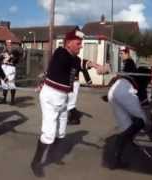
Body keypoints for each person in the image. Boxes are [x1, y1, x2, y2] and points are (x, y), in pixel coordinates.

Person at [30, 28, 105, 177]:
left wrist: (98, 67)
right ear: (69, 43)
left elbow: (81, 63)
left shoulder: (74, 58)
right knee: (49, 133)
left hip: (63, 97)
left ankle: (53, 156)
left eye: (81, 43)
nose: (81, 46)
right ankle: (36, 163)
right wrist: (92, 65)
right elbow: (72, 62)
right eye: (78, 43)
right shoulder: (61, 53)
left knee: (61, 132)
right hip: (51, 96)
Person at [106, 66, 152, 169]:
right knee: (142, 121)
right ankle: (127, 139)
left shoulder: (131, 75)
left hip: (112, 93)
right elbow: (145, 106)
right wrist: (148, 122)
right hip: (124, 93)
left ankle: (116, 158)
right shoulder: (142, 82)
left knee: (126, 127)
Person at [0, 39, 22, 105]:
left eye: (10, 44)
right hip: (4, 67)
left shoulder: (15, 51)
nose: (9, 45)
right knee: (4, 83)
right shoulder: (3, 51)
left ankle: (12, 100)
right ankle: (4, 99)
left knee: (11, 83)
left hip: (11, 67)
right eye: (7, 44)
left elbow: (18, 56)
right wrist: (1, 56)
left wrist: (12, 57)